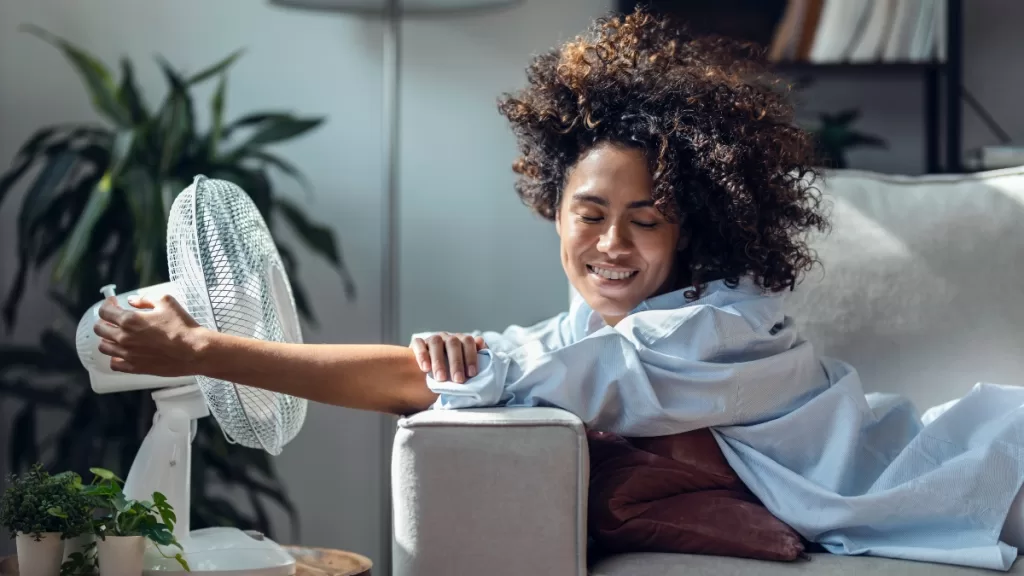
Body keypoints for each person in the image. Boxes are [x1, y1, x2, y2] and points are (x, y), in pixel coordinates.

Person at [93, 8, 1024, 571]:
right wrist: (475, 363)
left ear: (692, 222)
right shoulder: (602, 325)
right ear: (550, 205)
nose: (612, 242)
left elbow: (426, 381)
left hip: (990, 473)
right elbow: (491, 368)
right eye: (589, 212)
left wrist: (202, 349)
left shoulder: (713, 334)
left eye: (648, 218)